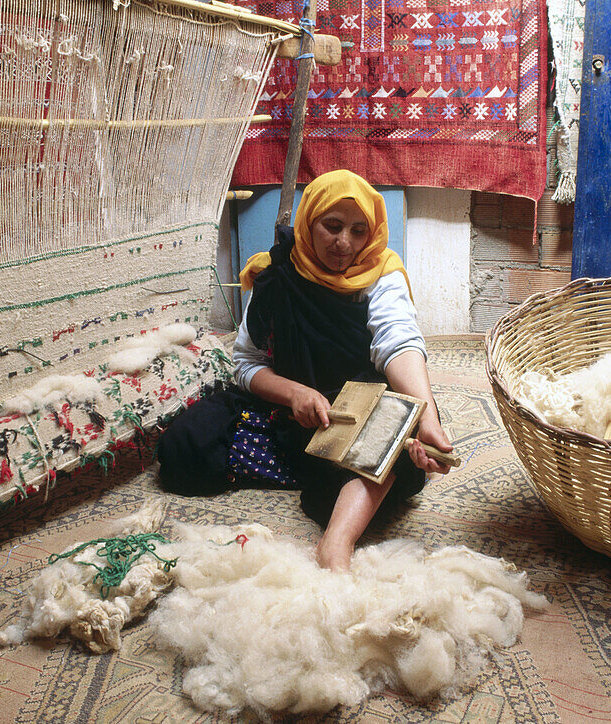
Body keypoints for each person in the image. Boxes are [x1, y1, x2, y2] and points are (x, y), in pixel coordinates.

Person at [157, 169, 453, 571]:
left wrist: (428, 418)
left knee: (395, 427)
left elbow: (398, 344)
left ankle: (337, 541)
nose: (344, 243)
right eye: (331, 226)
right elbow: (245, 364)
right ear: (309, 221)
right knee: (184, 446)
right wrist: (293, 393)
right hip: (295, 406)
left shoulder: (380, 272)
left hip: (362, 406)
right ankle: (359, 482)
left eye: (358, 231)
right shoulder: (276, 275)